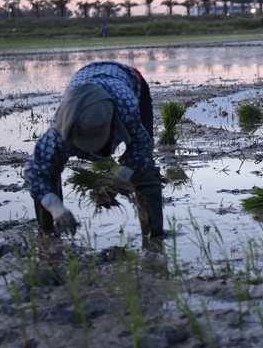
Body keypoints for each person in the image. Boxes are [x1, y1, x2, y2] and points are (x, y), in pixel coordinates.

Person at [25, 61, 163, 243]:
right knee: (48, 170)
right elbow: (36, 170)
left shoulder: (126, 108)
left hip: (129, 80)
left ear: (113, 124)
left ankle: (154, 238)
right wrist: (55, 207)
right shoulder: (61, 129)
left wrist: (124, 175)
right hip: (86, 82)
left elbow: (141, 145)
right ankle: (50, 236)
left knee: (145, 170)